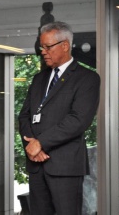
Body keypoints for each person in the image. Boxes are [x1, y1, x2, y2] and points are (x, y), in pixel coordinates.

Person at [18, 21, 100, 215]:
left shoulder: (87, 78)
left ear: (65, 45)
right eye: (41, 47)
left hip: (65, 167)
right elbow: (25, 115)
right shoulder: (39, 78)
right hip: (37, 166)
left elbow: (79, 120)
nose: (43, 52)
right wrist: (32, 145)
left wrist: (41, 143)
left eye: (48, 47)